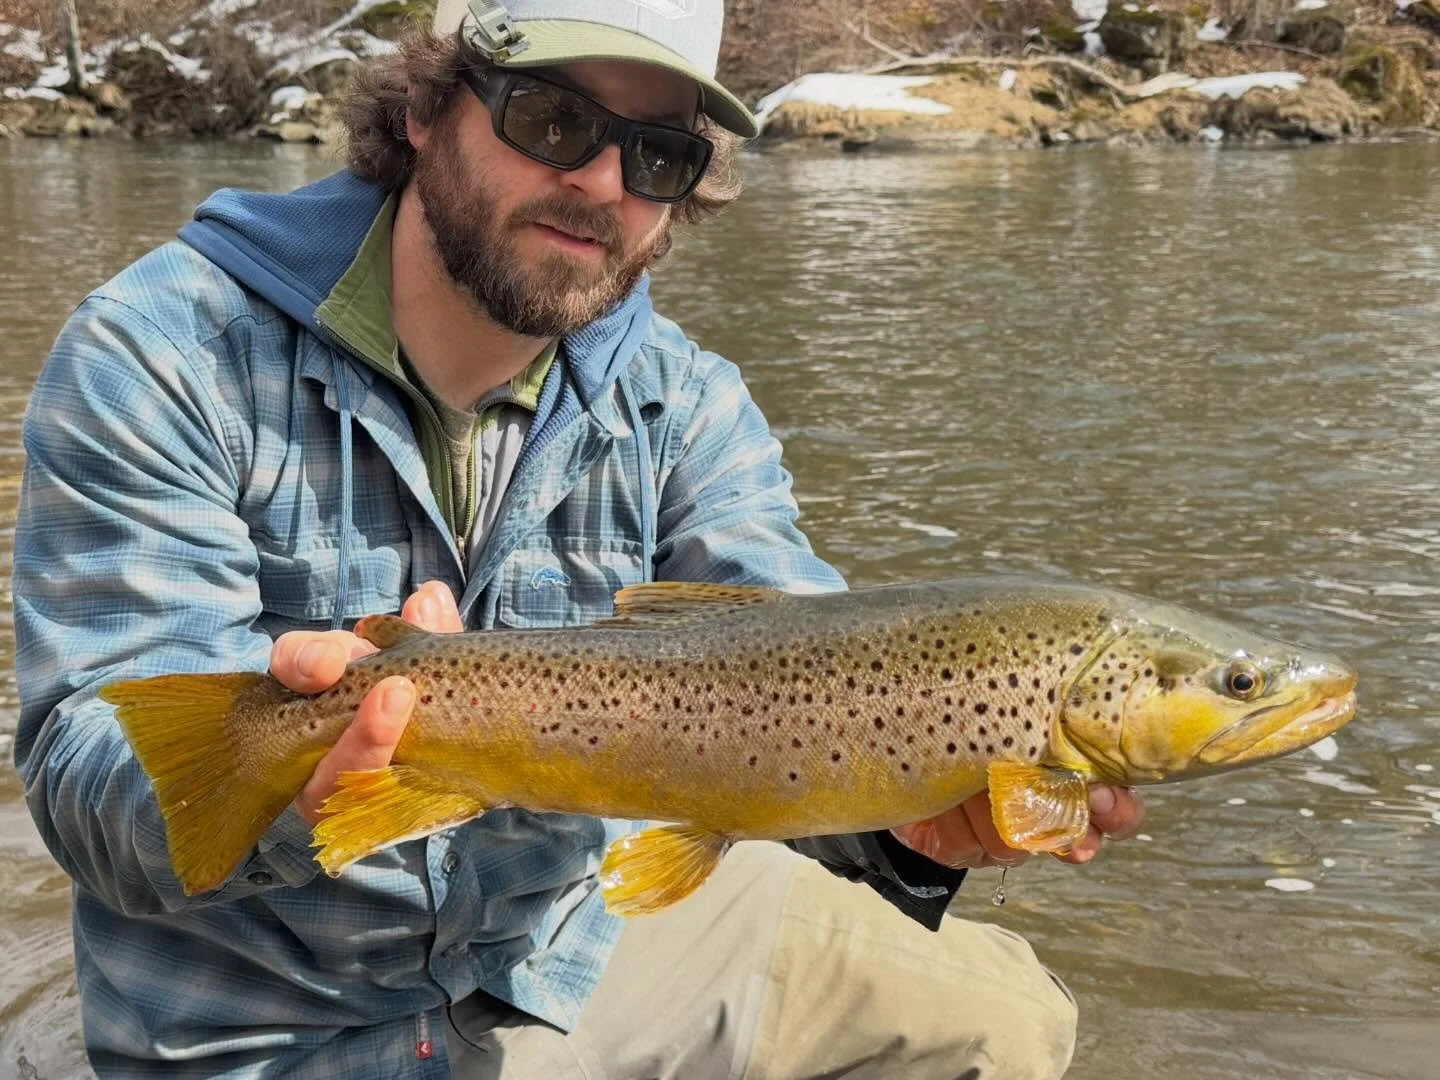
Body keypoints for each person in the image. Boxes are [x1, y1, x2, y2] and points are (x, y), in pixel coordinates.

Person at [12, 1, 1144, 1076]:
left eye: (657, 155)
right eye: (554, 120)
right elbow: (90, 784)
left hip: (565, 950)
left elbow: (810, 661)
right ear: (422, 110)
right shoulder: (164, 352)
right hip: (260, 1030)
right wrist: (296, 781)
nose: (601, 180)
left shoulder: (685, 405)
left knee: (1004, 1020)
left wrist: (911, 824)